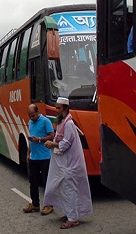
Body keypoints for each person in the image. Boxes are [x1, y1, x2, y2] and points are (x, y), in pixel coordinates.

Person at [43, 97, 93, 229]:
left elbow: (65, 144)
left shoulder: (69, 124)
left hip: (70, 165)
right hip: (64, 164)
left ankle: (73, 219)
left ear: (65, 109)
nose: (56, 110)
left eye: (59, 108)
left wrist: (52, 144)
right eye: (56, 107)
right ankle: (69, 213)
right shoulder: (62, 122)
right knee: (64, 190)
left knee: (69, 190)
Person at [22, 104, 55, 215]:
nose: (32, 118)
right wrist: (28, 153)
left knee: (46, 181)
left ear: (38, 112)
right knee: (33, 181)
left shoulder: (45, 121)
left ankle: (49, 204)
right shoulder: (30, 123)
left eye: (33, 115)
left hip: (45, 156)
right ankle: (35, 204)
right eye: (30, 116)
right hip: (34, 157)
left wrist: (40, 139)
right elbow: (31, 139)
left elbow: (51, 136)